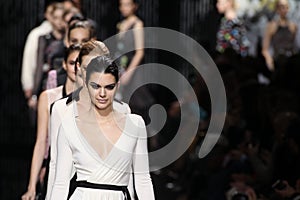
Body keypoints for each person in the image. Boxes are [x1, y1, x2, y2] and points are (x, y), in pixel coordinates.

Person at [48, 53, 155, 199]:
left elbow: (143, 180)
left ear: (117, 86)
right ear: (86, 85)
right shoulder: (69, 126)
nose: (102, 93)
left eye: (109, 87)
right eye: (96, 86)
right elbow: (60, 184)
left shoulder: (135, 124)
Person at [21, 44, 81, 200]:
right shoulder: (48, 97)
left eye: (81, 63)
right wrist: (31, 187)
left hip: (83, 172)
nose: (76, 68)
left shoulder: (94, 99)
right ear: (64, 64)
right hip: (55, 168)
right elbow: (41, 141)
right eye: (72, 63)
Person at [115, 0, 155, 124]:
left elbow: (139, 52)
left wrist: (129, 73)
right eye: (121, 4)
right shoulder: (121, 24)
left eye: (127, 4)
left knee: (137, 103)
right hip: (120, 65)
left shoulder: (137, 24)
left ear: (134, 6)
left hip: (133, 69)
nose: (124, 8)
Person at [261, 0, 298, 86]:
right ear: (277, 9)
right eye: (281, 7)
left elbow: (295, 45)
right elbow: (265, 49)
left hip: (291, 61)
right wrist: (270, 63)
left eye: (286, 7)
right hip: (278, 61)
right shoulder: (272, 26)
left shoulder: (293, 26)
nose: (284, 10)